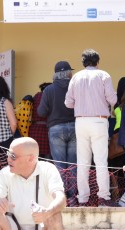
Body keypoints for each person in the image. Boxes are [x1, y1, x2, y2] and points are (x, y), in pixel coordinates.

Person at [65, 49, 117, 207]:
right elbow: (112, 99)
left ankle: (83, 198)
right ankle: (103, 197)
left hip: (80, 121)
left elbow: (68, 103)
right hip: (99, 120)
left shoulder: (76, 77)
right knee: (100, 160)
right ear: (97, 62)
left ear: (83, 62)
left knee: (83, 162)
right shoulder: (104, 75)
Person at [37, 61, 77, 206]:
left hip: (55, 129)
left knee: (60, 164)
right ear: (67, 73)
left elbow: (41, 112)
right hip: (75, 127)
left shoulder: (49, 90)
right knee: (73, 164)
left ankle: (61, 196)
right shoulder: (75, 87)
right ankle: (73, 197)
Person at [30, 83, 51, 158]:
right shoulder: (49, 96)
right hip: (46, 129)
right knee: (47, 155)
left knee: (35, 154)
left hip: (34, 129)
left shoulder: (35, 97)